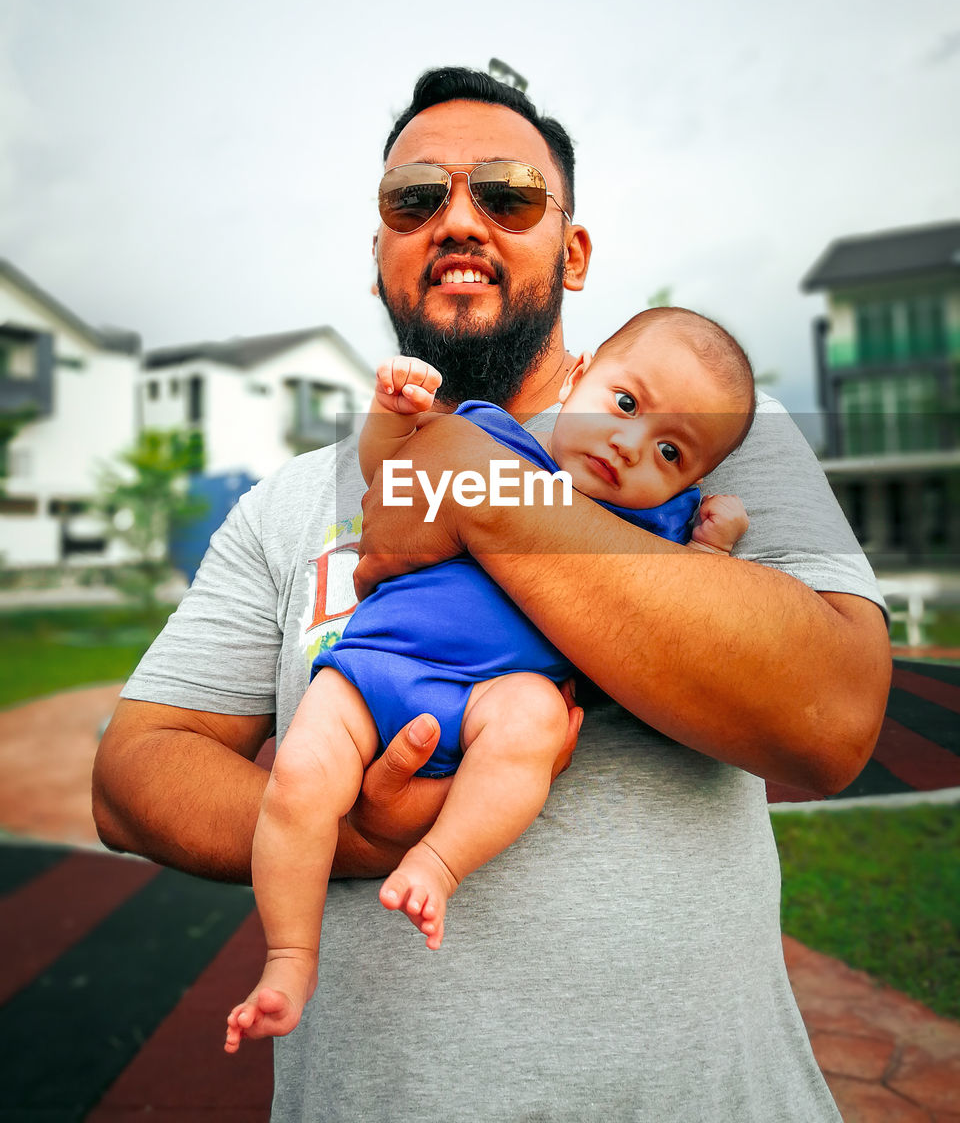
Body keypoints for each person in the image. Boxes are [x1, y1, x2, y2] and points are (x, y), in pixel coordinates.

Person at [93, 67, 891, 1122]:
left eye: (508, 194)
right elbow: (132, 771)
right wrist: (360, 834)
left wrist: (477, 484)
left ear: (574, 250)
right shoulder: (287, 502)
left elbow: (834, 715)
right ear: (379, 248)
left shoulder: (717, 437)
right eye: (415, 199)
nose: (458, 220)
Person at [224, 306, 754, 1052]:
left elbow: (689, 610)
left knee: (537, 717)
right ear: (581, 375)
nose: (631, 446)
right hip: (375, 667)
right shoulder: (487, 437)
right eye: (626, 404)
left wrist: (715, 542)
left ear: (690, 481)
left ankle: (437, 864)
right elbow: (387, 472)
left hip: (487, 703)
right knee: (299, 782)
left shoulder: (653, 528)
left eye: (670, 451)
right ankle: (288, 958)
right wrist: (392, 413)